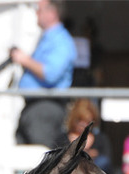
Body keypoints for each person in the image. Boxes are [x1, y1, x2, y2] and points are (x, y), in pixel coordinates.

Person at [14, 0, 76, 149]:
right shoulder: (45, 38)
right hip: (34, 107)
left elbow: (50, 74)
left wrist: (25, 60)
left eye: (39, 9)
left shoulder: (61, 41)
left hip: (46, 107)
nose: (35, 13)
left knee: (41, 158)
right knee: (25, 158)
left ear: (52, 13)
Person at [63, 98, 112, 174]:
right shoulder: (62, 139)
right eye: (80, 121)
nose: (84, 125)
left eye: (87, 121)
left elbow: (106, 160)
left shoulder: (101, 139)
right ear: (73, 120)